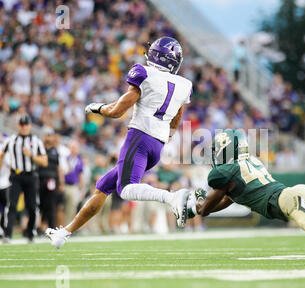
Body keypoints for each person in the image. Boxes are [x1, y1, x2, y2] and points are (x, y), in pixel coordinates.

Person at [46, 36, 193, 248]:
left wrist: (97, 108)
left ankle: (172, 198)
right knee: (103, 186)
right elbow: (177, 116)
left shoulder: (145, 73)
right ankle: (65, 233)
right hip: (157, 146)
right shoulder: (183, 84)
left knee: (125, 189)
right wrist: (167, 136)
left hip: (139, 139)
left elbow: (116, 112)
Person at [0, 114, 48, 243]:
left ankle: (30, 232)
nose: (24, 127)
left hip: (31, 175)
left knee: (32, 206)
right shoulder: (11, 140)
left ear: (30, 126)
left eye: (26, 125)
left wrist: (31, 155)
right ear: (18, 126)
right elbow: (2, 155)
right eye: (22, 125)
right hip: (16, 175)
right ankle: (7, 234)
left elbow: (44, 161)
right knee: (12, 205)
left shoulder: (36, 141)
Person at [38, 127, 64, 231]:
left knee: (51, 205)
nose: (48, 138)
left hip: (52, 181)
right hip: (40, 179)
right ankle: (39, 227)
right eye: (46, 135)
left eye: (50, 135)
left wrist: (61, 182)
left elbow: (59, 167)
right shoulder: (39, 148)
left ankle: (52, 228)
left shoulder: (55, 151)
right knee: (40, 205)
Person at [0, 134, 11, 238]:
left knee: (6, 207)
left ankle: (4, 228)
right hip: (4, 181)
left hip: (5, 182)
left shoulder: (5, 148)